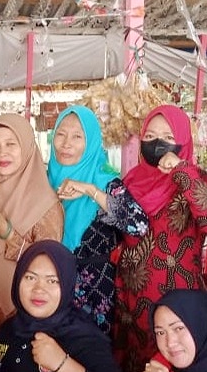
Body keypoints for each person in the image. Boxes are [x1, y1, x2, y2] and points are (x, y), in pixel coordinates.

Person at [114, 105, 207, 372]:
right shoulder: (129, 181)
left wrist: (182, 171)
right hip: (132, 304)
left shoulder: (196, 179)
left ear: (183, 142)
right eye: (150, 136)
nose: (158, 143)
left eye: (168, 137)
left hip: (179, 305)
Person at [0, 240, 131, 372]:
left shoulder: (82, 337)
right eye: (30, 277)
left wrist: (62, 363)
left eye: (52, 281)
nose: (39, 289)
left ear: (67, 285)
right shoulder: (7, 332)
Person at [0, 113, 63, 356]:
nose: (2, 153)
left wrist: (6, 230)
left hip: (20, 314)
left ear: (27, 147)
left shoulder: (46, 204)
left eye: (11, 144)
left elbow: (49, 268)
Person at [46, 106, 148, 334]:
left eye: (77, 137)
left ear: (91, 142)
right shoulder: (43, 181)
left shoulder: (106, 183)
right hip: (50, 289)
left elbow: (138, 224)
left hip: (95, 296)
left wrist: (90, 190)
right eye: (61, 134)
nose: (66, 144)